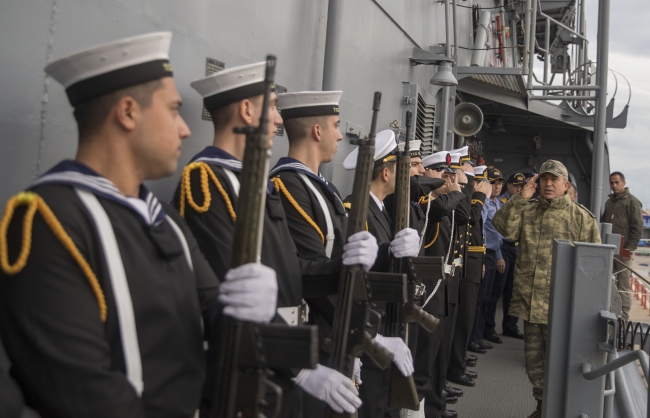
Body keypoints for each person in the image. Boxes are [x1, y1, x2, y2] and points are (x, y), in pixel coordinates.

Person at [0, 32, 278, 418]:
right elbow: (82, 391)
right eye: (174, 110)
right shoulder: (48, 219)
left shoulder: (165, 219)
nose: (184, 129)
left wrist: (245, 309)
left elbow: (212, 312)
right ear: (128, 112)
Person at [177, 73, 371, 416]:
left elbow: (290, 269)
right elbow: (228, 294)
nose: (280, 121)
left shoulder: (254, 183)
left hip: (281, 358)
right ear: (247, 111)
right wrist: (298, 367)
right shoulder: (207, 182)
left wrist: (344, 268)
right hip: (249, 365)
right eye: (273, 109)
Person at [267, 90, 379, 417]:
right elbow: (310, 269)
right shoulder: (289, 185)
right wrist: (357, 332)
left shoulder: (318, 186)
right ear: (317, 131)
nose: (341, 135)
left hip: (333, 332)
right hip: (316, 333)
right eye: (335, 125)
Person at [492, 159, 600, 418]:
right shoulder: (527, 210)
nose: (549, 184)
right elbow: (502, 227)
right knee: (534, 366)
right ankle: (542, 407)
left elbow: (595, 271)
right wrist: (520, 198)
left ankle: (559, 410)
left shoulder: (582, 219)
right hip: (531, 305)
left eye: (554, 180)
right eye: (544, 179)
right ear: (537, 183)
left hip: (563, 309)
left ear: (565, 185)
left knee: (563, 365)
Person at [342, 129, 418, 418]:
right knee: (371, 405)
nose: (407, 175)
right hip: (371, 325)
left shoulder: (382, 209)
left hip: (386, 322)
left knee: (383, 404)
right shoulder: (357, 209)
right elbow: (358, 273)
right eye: (402, 169)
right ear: (386, 173)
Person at [468, 167, 504, 352]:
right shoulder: (481, 204)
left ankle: (479, 335)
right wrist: (481, 259)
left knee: (487, 298)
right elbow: (479, 230)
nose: (495, 186)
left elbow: (497, 233)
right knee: (478, 299)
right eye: (491, 182)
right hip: (482, 253)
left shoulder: (497, 203)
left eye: (499, 183)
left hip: (492, 253)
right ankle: (472, 337)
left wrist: (499, 255)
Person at [487, 173, 526, 341]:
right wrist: (499, 254)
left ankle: (511, 325)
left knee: (514, 290)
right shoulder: (501, 202)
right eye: (516, 186)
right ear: (508, 186)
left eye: (521, 186)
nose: (519, 189)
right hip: (504, 247)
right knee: (497, 289)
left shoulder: (526, 203)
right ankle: (489, 327)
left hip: (519, 248)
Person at [601, 171, 643, 321]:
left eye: (617, 182)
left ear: (624, 183)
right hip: (608, 250)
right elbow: (603, 222)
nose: (614, 186)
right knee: (605, 282)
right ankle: (607, 312)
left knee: (623, 286)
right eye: (611, 183)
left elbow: (638, 228)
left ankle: (623, 319)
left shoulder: (633, 202)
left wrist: (629, 249)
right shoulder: (609, 202)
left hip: (624, 252)